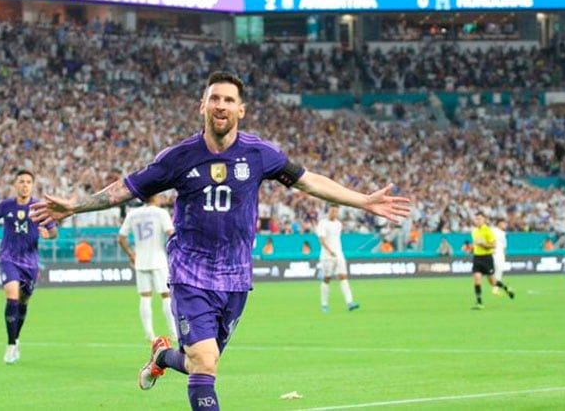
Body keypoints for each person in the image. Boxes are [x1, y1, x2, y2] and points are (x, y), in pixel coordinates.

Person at [29, 71, 410, 411]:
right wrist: (74, 207)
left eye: (229, 100)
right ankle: (169, 357)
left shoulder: (260, 154)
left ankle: (162, 357)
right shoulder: (178, 157)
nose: (221, 105)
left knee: (199, 363)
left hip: (236, 277)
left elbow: (309, 181)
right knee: (206, 361)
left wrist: (362, 200)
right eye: (215, 98)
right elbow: (124, 189)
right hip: (190, 272)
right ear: (203, 106)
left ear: (241, 110)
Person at [0, 170, 58, 364]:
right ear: (15, 185)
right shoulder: (5, 206)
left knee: (23, 301)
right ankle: (11, 346)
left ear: (32, 185)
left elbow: (54, 232)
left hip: (30, 262)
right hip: (8, 258)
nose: (25, 185)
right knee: (11, 296)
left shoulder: (39, 208)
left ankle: (16, 338)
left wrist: (48, 235)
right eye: (21, 181)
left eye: (29, 181)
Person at [118, 194, 178, 343]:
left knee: (145, 297)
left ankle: (149, 334)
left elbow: (121, 238)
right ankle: (174, 333)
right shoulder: (161, 213)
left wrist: (131, 254)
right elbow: (171, 233)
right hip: (158, 260)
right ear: (155, 197)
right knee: (166, 296)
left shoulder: (133, 214)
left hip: (141, 260)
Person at [316, 205, 360, 313]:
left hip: (339, 254)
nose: (333, 213)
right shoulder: (323, 223)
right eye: (331, 211)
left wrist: (336, 252)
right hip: (327, 256)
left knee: (343, 277)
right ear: (328, 211)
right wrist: (329, 251)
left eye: (335, 211)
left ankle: (350, 303)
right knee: (327, 279)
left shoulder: (338, 224)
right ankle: (324, 305)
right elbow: (321, 240)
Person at [470, 213, 514, 310]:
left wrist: (483, 244)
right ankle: (479, 303)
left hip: (486, 258)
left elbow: (493, 245)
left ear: (484, 220)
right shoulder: (474, 231)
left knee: (492, 282)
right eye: (476, 219)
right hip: (477, 258)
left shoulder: (488, 231)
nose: (478, 221)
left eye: (480, 219)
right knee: (477, 279)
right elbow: (476, 244)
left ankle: (506, 288)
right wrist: (472, 248)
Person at [491, 219, 508, 295]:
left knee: (499, 271)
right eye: (503, 223)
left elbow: (504, 246)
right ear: (499, 223)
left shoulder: (503, 233)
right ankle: (495, 288)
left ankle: (495, 289)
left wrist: (504, 254)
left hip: (500, 254)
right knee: (496, 270)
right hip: (494, 253)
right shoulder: (493, 230)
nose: (505, 225)